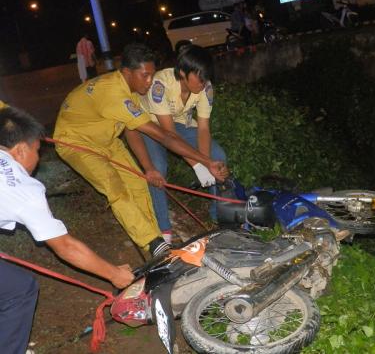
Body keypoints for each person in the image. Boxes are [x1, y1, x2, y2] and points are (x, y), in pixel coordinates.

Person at [53, 43, 228, 257]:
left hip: (107, 138)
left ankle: (156, 239)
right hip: (76, 142)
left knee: (139, 183)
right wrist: (206, 162)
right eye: (145, 75)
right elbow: (165, 136)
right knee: (115, 187)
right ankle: (153, 243)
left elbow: (131, 130)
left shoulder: (132, 91)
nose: (150, 81)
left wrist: (148, 167)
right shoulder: (114, 94)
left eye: (151, 75)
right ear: (127, 72)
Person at [0, 106, 135, 354]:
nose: (38, 159)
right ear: (20, 149)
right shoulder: (21, 187)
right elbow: (66, 247)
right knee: (19, 290)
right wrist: (115, 274)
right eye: (37, 150)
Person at [139, 43, 226, 241]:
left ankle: (217, 213)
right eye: (198, 77)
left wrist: (207, 162)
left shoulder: (206, 88)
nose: (203, 83)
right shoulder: (160, 84)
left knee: (218, 157)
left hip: (180, 123)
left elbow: (203, 128)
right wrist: (197, 165)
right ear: (182, 73)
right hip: (151, 124)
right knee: (157, 168)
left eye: (206, 77)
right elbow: (169, 136)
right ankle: (164, 230)